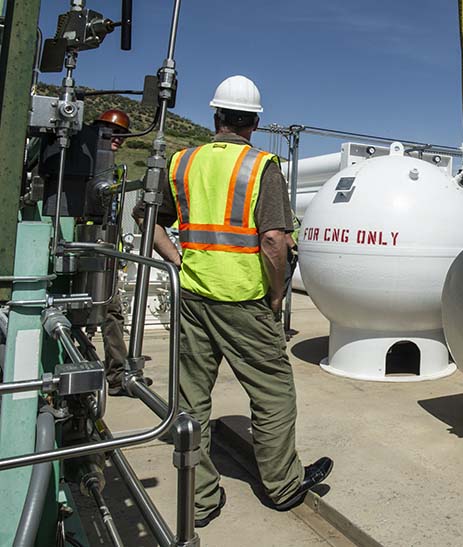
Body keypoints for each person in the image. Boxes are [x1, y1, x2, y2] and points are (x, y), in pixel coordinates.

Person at [133, 75, 332, 527]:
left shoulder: (182, 163)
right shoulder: (262, 166)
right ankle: (282, 486)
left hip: (193, 297)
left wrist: (178, 261)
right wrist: (277, 293)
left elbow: (147, 219)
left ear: (216, 117)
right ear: (254, 122)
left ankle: (200, 501)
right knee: (273, 393)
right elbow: (274, 241)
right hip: (244, 300)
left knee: (191, 402)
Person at [92, 109, 153, 396]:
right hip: (84, 249)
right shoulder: (85, 166)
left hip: (107, 254)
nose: (117, 138)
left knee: (112, 312)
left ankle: (116, 376)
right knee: (90, 313)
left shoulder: (115, 170)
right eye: (111, 132)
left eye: (121, 135)